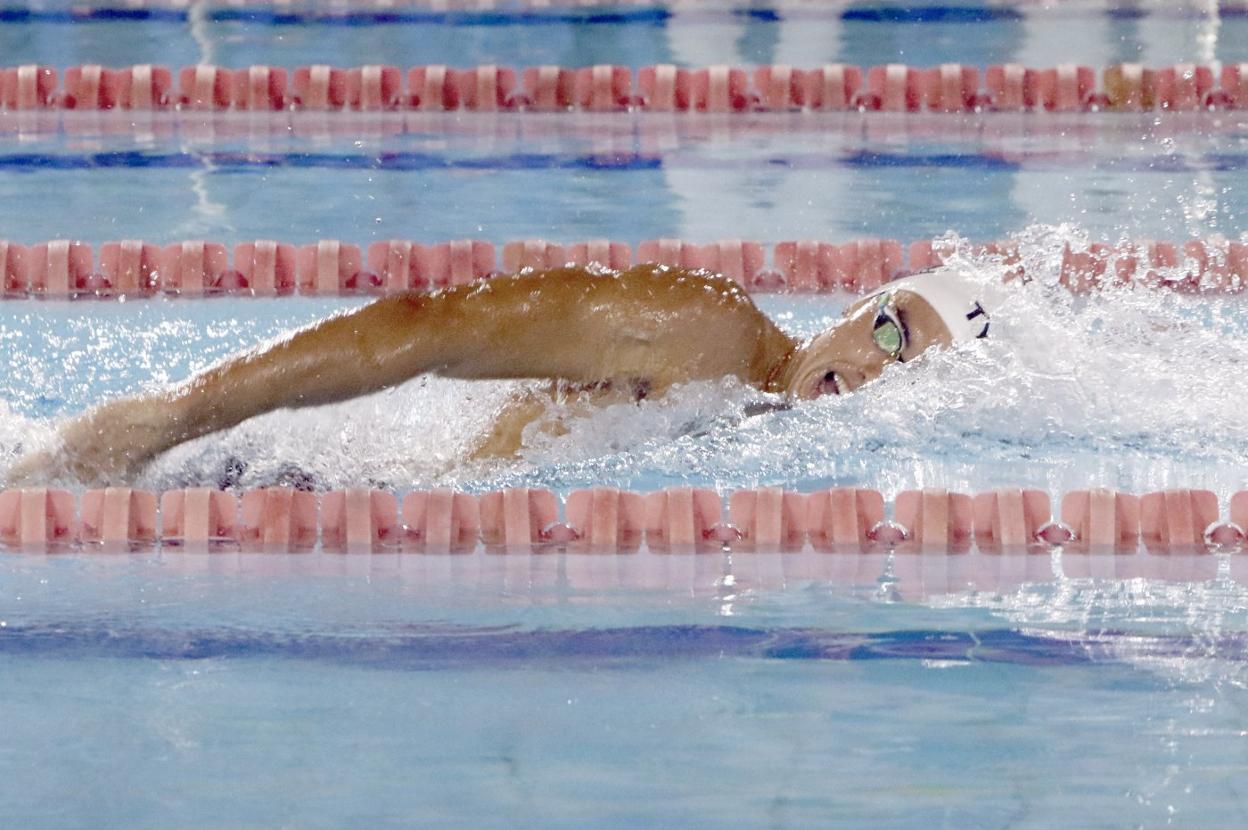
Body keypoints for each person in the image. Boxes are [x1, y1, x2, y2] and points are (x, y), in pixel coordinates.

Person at [4, 262, 990, 486]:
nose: (871, 374)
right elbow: (432, 327)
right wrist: (169, 421)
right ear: (860, 304)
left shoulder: (804, 465)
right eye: (893, 332)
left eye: (915, 376)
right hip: (295, 500)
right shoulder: (709, 332)